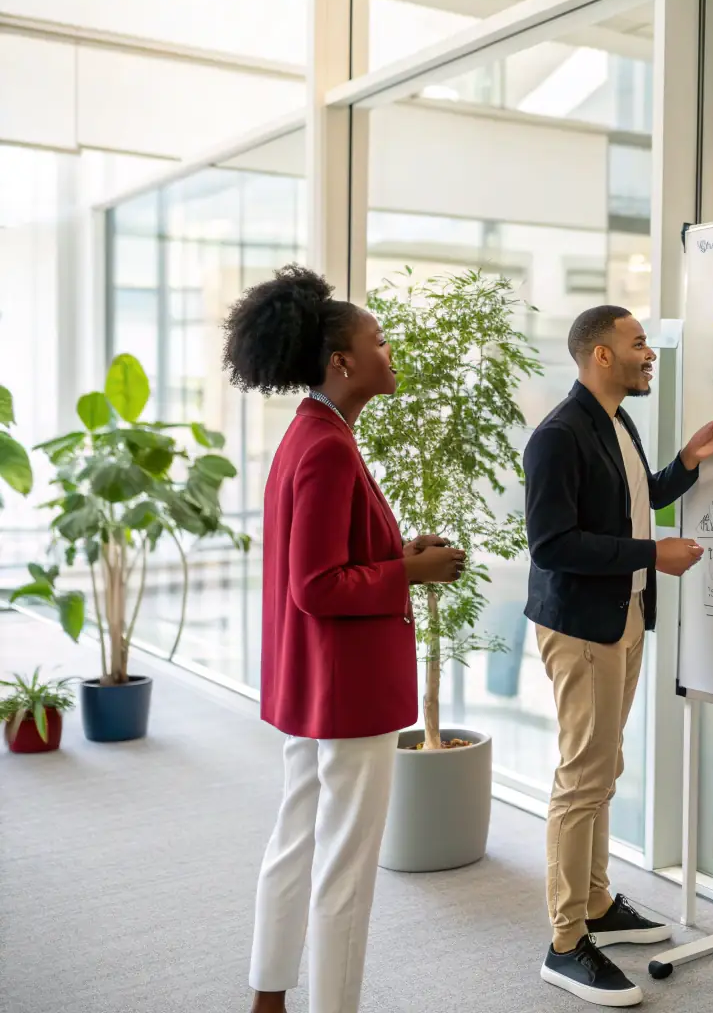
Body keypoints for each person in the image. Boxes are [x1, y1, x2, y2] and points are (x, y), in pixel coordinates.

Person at [223, 265, 466, 1013]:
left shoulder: (310, 431)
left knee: (296, 838)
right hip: (348, 689)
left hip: (313, 684)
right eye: (379, 340)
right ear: (343, 362)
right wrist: (413, 577)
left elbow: (325, 561)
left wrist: (398, 555)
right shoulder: (328, 446)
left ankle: (269, 997)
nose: (390, 351)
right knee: (346, 866)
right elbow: (318, 585)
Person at [523, 304, 713, 1006]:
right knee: (581, 776)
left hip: (622, 616)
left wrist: (687, 461)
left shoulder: (616, 421)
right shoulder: (557, 436)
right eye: (638, 343)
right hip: (582, 625)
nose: (650, 353)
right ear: (601, 356)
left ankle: (595, 903)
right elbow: (551, 545)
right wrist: (653, 554)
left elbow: (635, 502)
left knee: (603, 766)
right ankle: (563, 942)